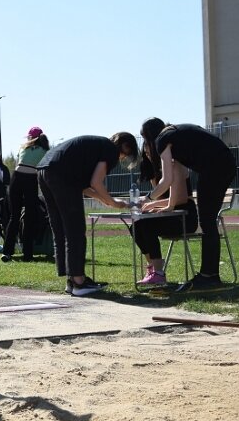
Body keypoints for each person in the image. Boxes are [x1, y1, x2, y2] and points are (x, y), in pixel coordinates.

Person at [37, 132, 139, 296]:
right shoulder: (110, 150)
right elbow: (96, 182)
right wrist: (112, 202)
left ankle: (72, 279)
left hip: (44, 171)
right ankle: (79, 282)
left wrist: (105, 199)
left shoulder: (94, 148)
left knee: (61, 229)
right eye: (125, 154)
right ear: (125, 146)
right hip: (61, 174)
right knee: (75, 229)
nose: (121, 158)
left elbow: (84, 186)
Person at [142, 123, 236, 290]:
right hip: (224, 163)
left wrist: (147, 198)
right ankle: (210, 275)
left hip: (214, 167)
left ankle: (209, 276)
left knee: (207, 221)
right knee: (208, 221)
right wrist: (170, 206)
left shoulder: (162, 140)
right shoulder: (176, 132)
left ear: (150, 138)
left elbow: (167, 180)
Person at [131, 118, 198, 286]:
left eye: (148, 145)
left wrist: (151, 204)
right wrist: (147, 206)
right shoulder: (158, 169)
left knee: (147, 225)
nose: (146, 151)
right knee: (137, 225)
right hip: (171, 213)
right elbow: (162, 199)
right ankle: (153, 268)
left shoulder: (176, 163)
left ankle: (158, 273)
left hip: (185, 216)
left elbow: (181, 199)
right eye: (144, 149)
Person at [1, 127, 50, 262]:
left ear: (31, 137)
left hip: (16, 178)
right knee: (29, 217)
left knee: (14, 217)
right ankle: (28, 254)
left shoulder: (22, 147)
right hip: (31, 180)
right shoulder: (45, 150)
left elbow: (19, 163)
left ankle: (7, 252)